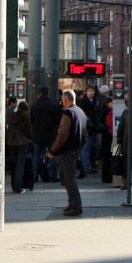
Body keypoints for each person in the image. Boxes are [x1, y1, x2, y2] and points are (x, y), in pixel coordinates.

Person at [45, 88, 87, 216]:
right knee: (67, 177)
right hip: (75, 149)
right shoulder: (80, 112)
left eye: (62, 100)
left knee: (69, 179)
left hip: (67, 150)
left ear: (65, 99)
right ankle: (72, 203)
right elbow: (85, 132)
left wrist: (53, 150)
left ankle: (76, 206)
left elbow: (62, 134)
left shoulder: (68, 113)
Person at [29, 86, 59, 183]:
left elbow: (32, 120)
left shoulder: (34, 105)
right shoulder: (53, 105)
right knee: (51, 154)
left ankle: (34, 176)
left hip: (37, 135)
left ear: (39, 93)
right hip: (50, 134)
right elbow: (56, 120)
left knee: (36, 156)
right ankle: (52, 176)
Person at [6, 99, 34, 194]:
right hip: (22, 142)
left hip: (11, 143)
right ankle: (18, 187)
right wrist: (31, 139)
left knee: (14, 165)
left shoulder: (12, 116)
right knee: (20, 166)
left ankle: (14, 186)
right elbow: (29, 131)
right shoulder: (25, 116)